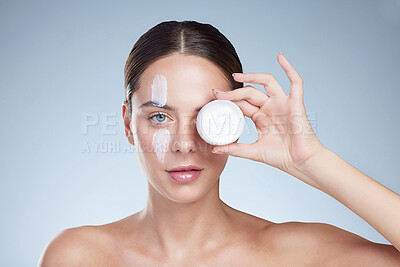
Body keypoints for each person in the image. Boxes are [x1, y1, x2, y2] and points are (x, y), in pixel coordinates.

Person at [38, 20, 400, 266]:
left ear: (235, 120)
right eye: (160, 117)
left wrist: (312, 160)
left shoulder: (294, 254)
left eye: (206, 117)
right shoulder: (78, 256)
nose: (183, 144)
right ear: (128, 124)